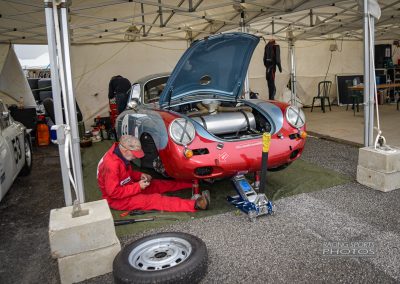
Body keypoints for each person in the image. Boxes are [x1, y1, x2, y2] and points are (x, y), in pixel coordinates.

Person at [97, 135, 210, 212]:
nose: (136, 157)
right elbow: (113, 193)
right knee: (155, 200)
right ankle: (195, 205)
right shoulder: (111, 164)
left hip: (127, 187)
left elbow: (126, 174)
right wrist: (137, 186)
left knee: (157, 184)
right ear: (126, 150)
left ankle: (191, 183)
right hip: (117, 200)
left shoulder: (121, 154)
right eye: (135, 154)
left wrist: (140, 175)